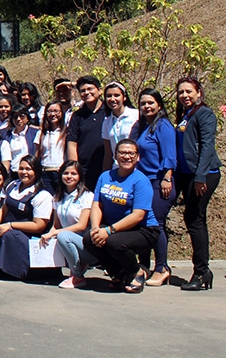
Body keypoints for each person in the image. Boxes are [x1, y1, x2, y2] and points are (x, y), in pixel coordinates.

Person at [82, 139, 160, 293]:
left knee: (114, 242)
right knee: (90, 239)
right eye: (122, 152)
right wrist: (96, 228)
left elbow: (138, 215)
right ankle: (120, 272)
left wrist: (109, 230)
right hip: (116, 227)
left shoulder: (141, 181)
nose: (127, 156)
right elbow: (97, 204)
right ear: (115, 156)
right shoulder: (105, 176)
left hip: (144, 230)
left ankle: (137, 271)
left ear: (137, 157)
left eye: (131, 153)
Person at [175, 77, 222, 291]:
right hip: (187, 174)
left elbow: (207, 146)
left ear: (199, 93)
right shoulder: (186, 114)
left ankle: (202, 271)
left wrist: (201, 176)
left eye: (189, 91)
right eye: (181, 92)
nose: (184, 95)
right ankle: (203, 271)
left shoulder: (205, 114)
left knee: (195, 218)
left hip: (203, 175)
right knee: (193, 218)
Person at [131, 88, 178, 287]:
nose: (146, 107)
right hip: (144, 182)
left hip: (160, 181)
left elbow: (169, 154)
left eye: (150, 103)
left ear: (159, 104)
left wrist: (167, 178)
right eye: (143, 104)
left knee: (156, 223)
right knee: (142, 223)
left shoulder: (163, 125)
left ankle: (162, 268)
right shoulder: (143, 126)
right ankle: (144, 265)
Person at [0, 157, 52, 281]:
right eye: (21, 168)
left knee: (9, 235)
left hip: (27, 236)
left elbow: (39, 225)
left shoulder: (42, 196)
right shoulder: (12, 185)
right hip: (8, 229)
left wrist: (11, 225)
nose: (24, 172)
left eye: (28, 169)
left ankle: (15, 271)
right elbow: (3, 210)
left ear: (37, 171)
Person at [40, 160, 93, 289]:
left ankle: (77, 275)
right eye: (66, 173)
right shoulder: (57, 197)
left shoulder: (87, 196)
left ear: (80, 176)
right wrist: (49, 235)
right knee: (53, 237)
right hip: (66, 241)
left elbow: (81, 225)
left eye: (73, 173)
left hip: (86, 245)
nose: (69, 176)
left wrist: (56, 233)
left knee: (63, 236)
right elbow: (56, 225)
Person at [66, 76, 106, 189]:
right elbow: (72, 143)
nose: (86, 92)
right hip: (84, 170)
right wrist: (73, 169)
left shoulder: (109, 111)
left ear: (100, 90)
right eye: (83, 91)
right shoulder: (77, 116)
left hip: (106, 167)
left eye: (90, 89)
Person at [101, 82, 139, 171]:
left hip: (136, 168)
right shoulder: (107, 122)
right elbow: (108, 153)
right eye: (109, 96)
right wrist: (105, 175)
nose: (113, 99)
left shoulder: (136, 115)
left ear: (124, 97)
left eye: (116, 95)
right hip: (117, 169)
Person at [36, 101, 67, 195]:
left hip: (61, 172)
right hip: (45, 173)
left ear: (62, 113)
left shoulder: (67, 132)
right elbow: (37, 155)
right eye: (49, 111)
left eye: (56, 111)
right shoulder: (41, 133)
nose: (53, 114)